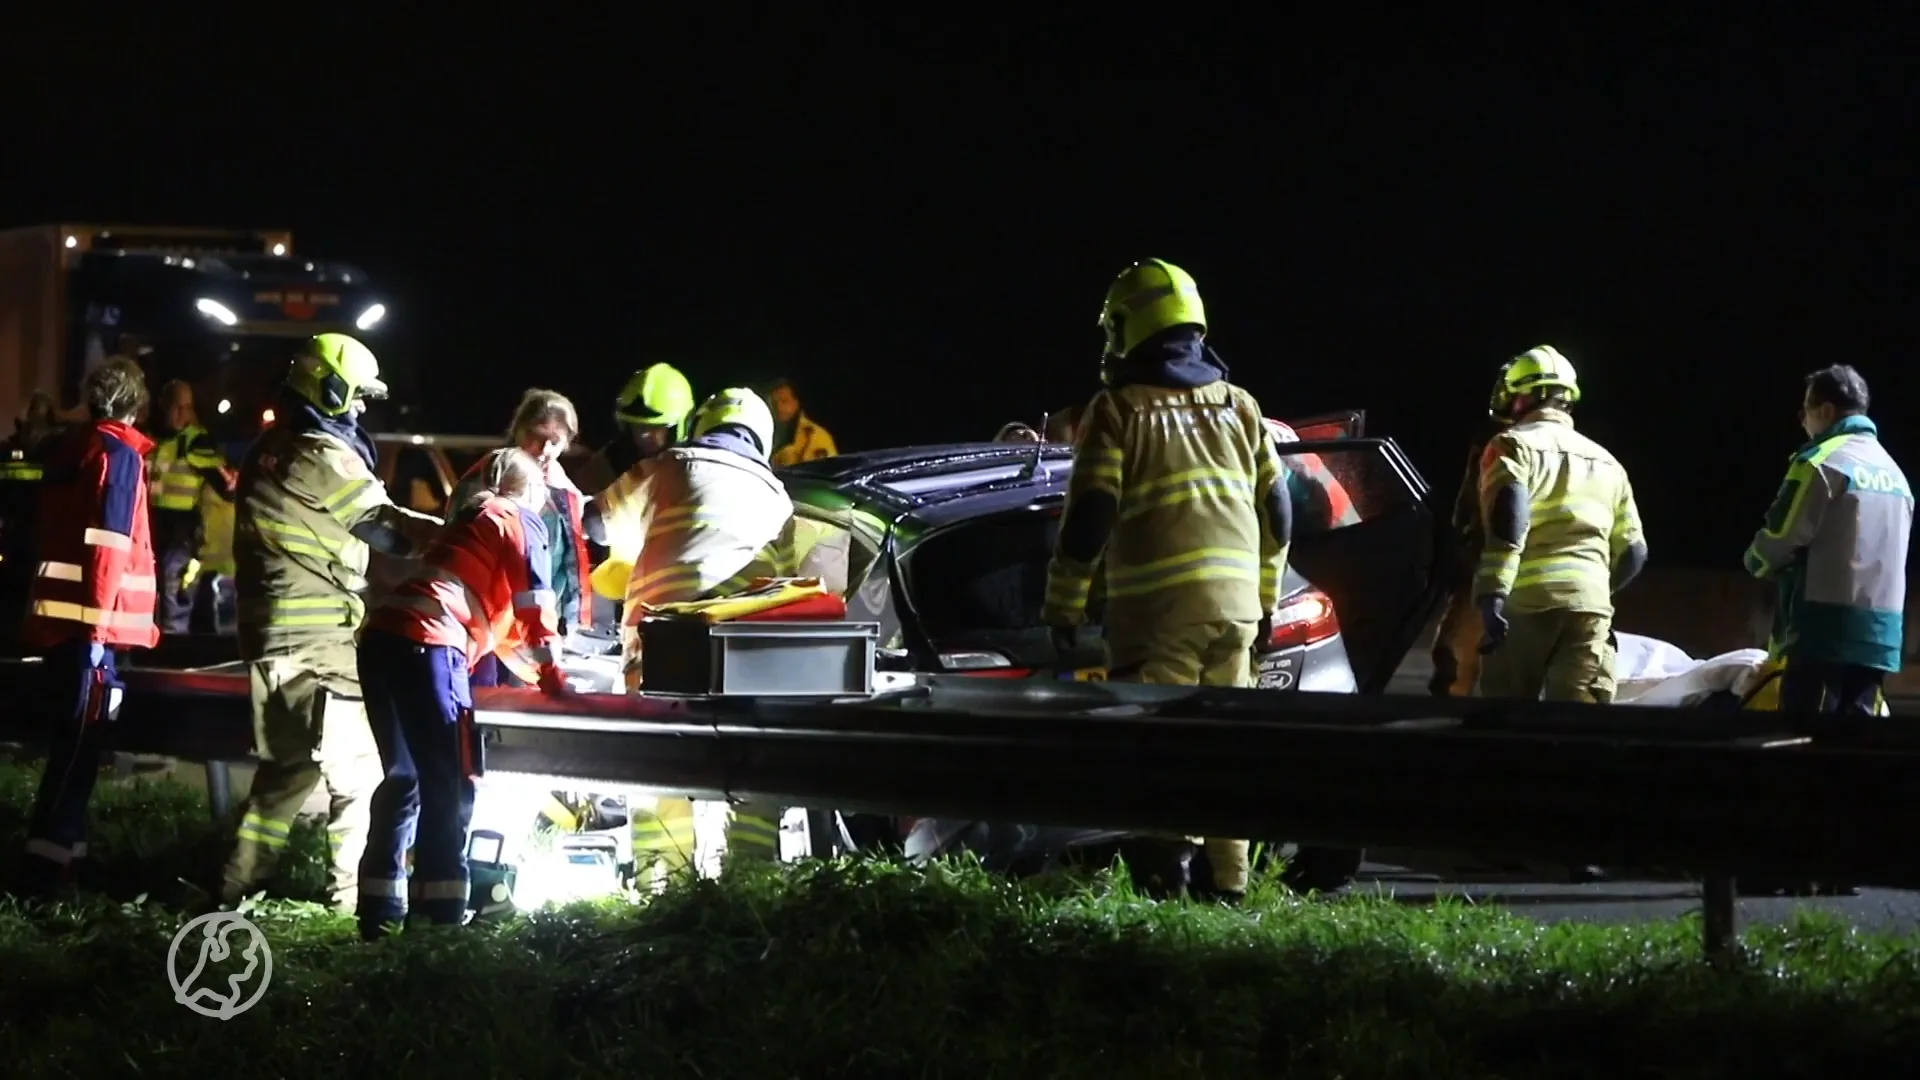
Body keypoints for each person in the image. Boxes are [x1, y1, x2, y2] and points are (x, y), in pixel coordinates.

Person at [1041, 258, 1291, 905]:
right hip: (1236, 613)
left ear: (1128, 328)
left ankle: (1166, 892)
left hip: (1157, 619)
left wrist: (1063, 604)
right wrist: (1265, 597)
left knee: (1159, 754)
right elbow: (1280, 511)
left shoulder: (1116, 410)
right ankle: (1231, 897)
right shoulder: (1241, 406)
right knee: (1226, 755)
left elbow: (1090, 516)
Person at [213, 333, 443, 913]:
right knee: (362, 775)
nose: (362, 408)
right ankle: (346, 902)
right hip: (322, 644)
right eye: (358, 395)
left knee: (284, 773)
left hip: (271, 639)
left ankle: (233, 894)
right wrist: (462, 532)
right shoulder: (322, 455)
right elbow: (385, 528)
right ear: (331, 386)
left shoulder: (267, 448)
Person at [356, 448, 570, 937]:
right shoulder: (518, 516)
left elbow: (503, 632)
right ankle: (440, 919)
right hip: (428, 645)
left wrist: (536, 667)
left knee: (403, 778)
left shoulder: (467, 523)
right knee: (450, 783)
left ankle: (378, 913)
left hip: (381, 639)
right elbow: (535, 603)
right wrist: (556, 679)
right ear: (530, 490)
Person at [583, 387, 793, 878]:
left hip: (661, 642)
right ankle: (749, 884)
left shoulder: (672, 463)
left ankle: (664, 885)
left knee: (660, 764)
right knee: (748, 768)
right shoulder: (778, 497)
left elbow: (595, 522)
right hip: (747, 657)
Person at [13, 359, 158, 896]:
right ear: (133, 404)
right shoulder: (118, 455)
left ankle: (63, 859)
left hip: (61, 626)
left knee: (69, 748)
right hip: (91, 633)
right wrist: (99, 633)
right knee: (78, 753)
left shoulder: (69, 450)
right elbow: (110, 544)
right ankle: (46, 871)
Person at [1474, 345, 1647, 703]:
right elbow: (1634, 550)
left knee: (1504, 715)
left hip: (1527, 606)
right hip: (1590, 607)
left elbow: (1509, 521)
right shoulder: (1608, 462)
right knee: (1578, 721)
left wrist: (1492, 594)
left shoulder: (1512, 445)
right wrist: (1594, 590)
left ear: (1525, 396)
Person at [1743, 364, 1912, 720]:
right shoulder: (1895, 474)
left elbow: (1779, 538)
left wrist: (1755, 562)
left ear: (1826, 412)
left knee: (1808, 746)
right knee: (1858, 749)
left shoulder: (1822, 462)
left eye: (1805, 410)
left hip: (1822, 636)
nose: (1802, 420)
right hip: (1880, 639)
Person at [450, 389, 593, 684]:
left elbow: (569, 563)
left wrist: (569, 620)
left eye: (555, 441)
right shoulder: (489, 477)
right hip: (485, 627)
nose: (543, 449)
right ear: (518, 430)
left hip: (534, 630)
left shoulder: (564, 492)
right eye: (536, 436)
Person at [144, 380, 236, 634]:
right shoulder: (147, 439)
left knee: (174, 606)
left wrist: (229, 482)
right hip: (148, 533)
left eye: (187, 407)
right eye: (176, 406)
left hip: (181, 537)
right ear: (162, 405)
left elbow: (229, 487)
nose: (181, 413)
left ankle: (171, 660)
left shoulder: (196, 442)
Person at [1429, 423, 1501, 697]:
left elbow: (1472, 506)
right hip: (1499, 567)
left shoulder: (1505, 444)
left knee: (1454, 662)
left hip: (1489, 566)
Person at [572, 363, 696, 496]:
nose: (644, 435)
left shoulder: (696, 467)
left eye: (654, 427)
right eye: (638, 426)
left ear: (679, 426)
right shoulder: (612, 460)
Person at [768, 377, 838, 467]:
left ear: (796, 402)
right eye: (774, 403)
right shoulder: (770, 436)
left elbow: (822, 473)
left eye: (784, 401)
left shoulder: (814, 435)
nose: (779, 408)